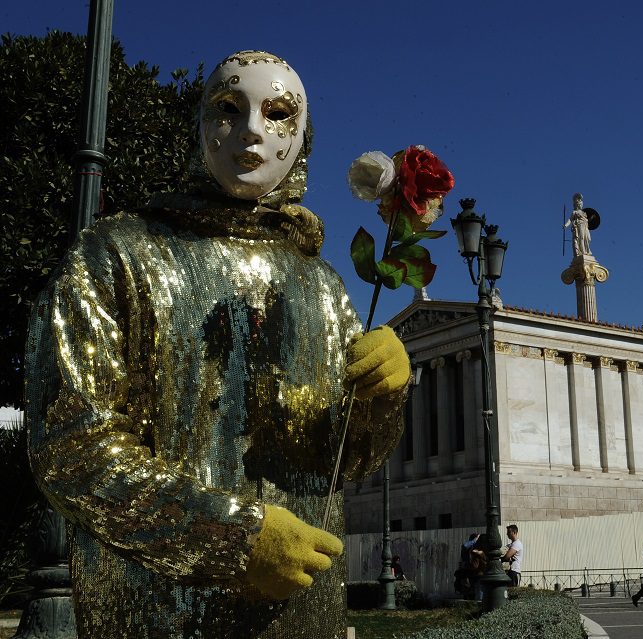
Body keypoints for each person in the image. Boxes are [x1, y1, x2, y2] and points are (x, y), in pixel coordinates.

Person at [24, 50, 411, 639]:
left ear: (302, 139)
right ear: (199, 124)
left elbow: (339, 460)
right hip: (157, 612)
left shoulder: (323, 287)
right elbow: (74, 446)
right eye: (229, 108)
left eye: (279, 114)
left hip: (303, 613)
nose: (253, 130)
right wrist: (230, 537)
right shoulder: (119, 257)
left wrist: (382, 397)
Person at [563, 192, 592, 257]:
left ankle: (587, 251)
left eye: (582, 204)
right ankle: (583, 251)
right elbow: (570, 220)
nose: (581, 205)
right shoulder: (575, 212)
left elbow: (587, 220)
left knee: (587, 238)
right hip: (579, 226)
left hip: (585, 226)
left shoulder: (584, 213)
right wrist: (566, 225)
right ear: (577, 204)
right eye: (580, 204)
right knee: (581, 238)